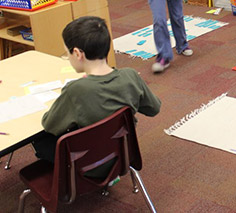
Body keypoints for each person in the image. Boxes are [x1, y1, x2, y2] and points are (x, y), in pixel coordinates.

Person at [33, 16, 161, 173]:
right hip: (123, 155)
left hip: (89, 165)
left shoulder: (75, 90)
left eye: (67, 54)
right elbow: (154, 108)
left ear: (78, 53)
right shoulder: (131, 75)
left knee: (40, 140)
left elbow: (50, 125)